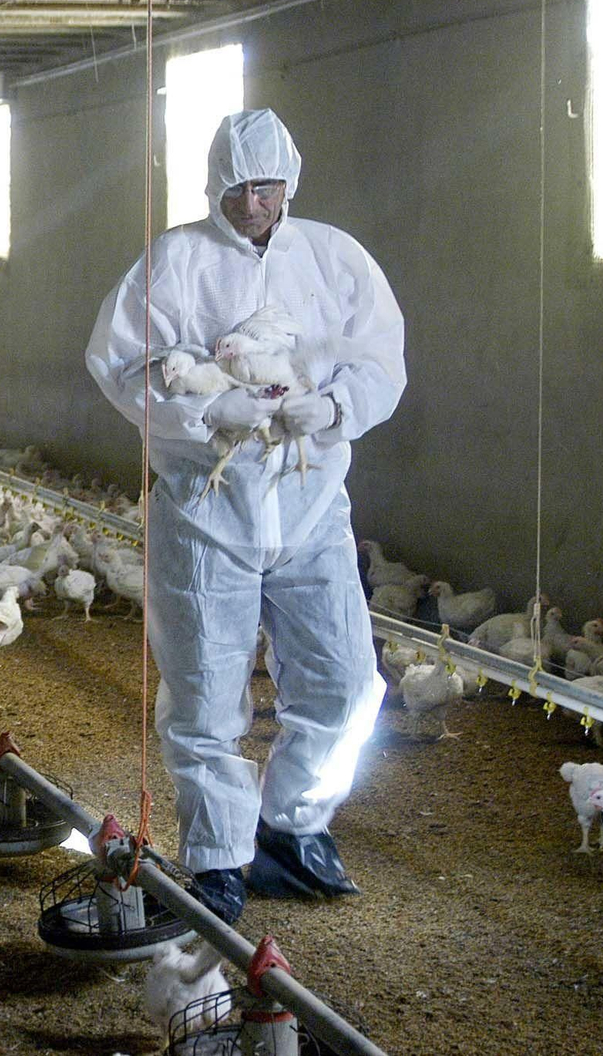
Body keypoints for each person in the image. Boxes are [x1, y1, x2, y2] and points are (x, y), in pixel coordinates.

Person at [84, 108, 405, 924]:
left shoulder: (335, 259)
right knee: (203, 696)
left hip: (309, 505)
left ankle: (292, 829)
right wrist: (212, 413)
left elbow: (379, 359)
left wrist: (331, 410)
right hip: (206, 509)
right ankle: (220, 857)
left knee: (345, 685)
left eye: (268, 186)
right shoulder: (174, 261)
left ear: (289, 184)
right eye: (239, 187)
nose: (254, 202)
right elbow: (121, 364)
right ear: (215, 186)